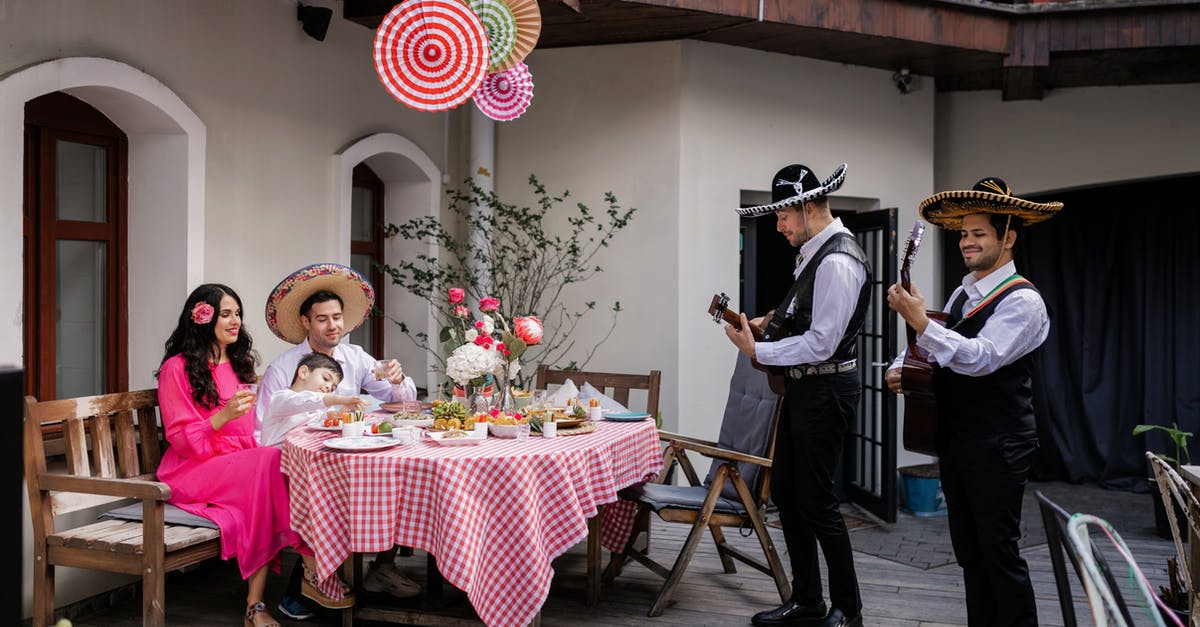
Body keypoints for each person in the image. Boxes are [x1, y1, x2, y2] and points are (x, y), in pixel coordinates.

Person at [885, 177, 1062, 626]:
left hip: (1000, 443)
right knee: (969, 551)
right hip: (960, 436)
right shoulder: (965, 292)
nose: (967, 241)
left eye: (979, 233)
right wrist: (903, 363)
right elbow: (945, 341)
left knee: (998, 551)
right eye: (963, 233)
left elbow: (980, 359)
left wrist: (921, 323)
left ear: (1008, 238)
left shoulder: (1023, 301)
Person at [154, 283, 353, 627]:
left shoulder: (238, 362)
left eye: (238, 314)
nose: (236, 322)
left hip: (239, 463)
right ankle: (309, 565)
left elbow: (253, 430)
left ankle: (256, 605)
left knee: (280, 470)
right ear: (203, 318)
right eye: (226, 314)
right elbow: (179, 438)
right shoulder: (177, 367)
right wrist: (223, 416)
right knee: (270, 463)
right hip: (190, 468)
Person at [725, 163, 869, 627]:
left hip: (827, 388)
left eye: (784, 215)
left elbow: (825, 340)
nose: (779, 225)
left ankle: (848, 608)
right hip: (806, 387)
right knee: (787, 492)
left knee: (818, 499)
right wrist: (770, 321)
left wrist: (760, 350)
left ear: (809, 207)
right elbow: (806, 316)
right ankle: (808, 600)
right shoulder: (814, 251)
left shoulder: (838, 260)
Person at [257, 263, 420, 619]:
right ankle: (307, 587)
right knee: (341, 493)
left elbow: (402, 400)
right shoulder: (286, 368)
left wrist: (396, 376)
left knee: (398, 477)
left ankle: (382, 566)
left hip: (348, 455)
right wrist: (331, 403)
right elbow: (263, 430)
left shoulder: (355, 357)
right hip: (294, 462)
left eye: (337, 317)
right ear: (305, 322)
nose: (333, 326)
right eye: (322, 319)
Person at [260, 352, 365, 448]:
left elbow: (323, 416)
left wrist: (339, 413)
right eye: (325, 378)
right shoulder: (280, 399)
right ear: (304, 372)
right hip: (274, 458)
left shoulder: (317, 408)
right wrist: (338, 399)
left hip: (300, 457)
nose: (329, 387)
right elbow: (303, 402)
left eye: (333, 388)